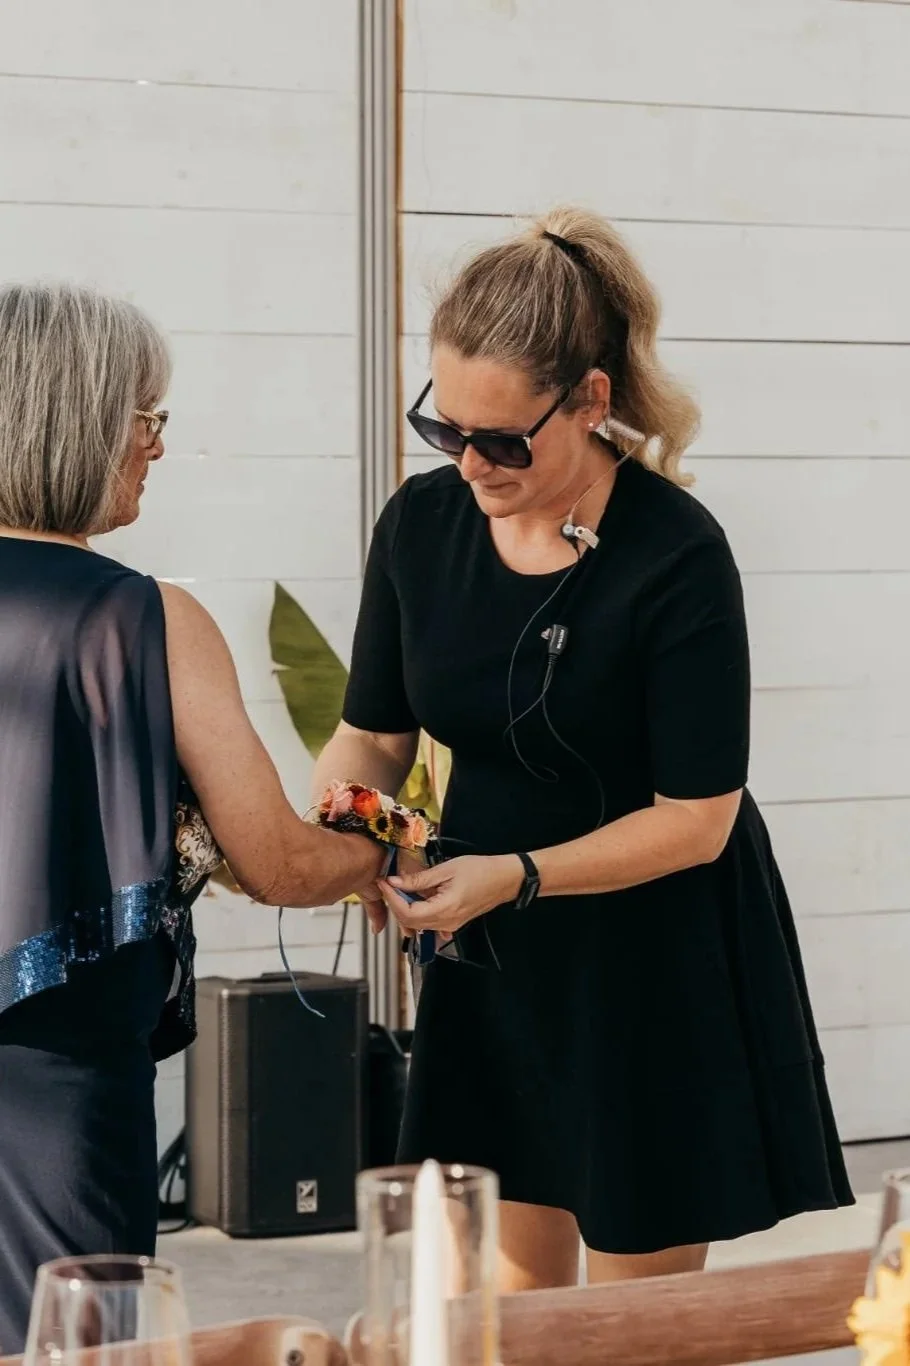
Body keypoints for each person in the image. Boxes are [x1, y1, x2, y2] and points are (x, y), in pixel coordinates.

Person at [312, 207, 854, 1292]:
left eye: (504, 439)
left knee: (632, 1332)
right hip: (493, 957)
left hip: (650, 956)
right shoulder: (419, 527)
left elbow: (696, 819)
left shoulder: (676, 556)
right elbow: (372, 735)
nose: (469, 464)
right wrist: (344, 826)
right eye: (444, 429)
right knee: (500, 1322)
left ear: (593, 400)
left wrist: (515, 876)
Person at [0, 283, 385, 1353]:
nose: (157, 446)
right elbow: (272, 859)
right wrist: (379, 850)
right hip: (62, 1102)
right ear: (75, 420)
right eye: (146, 417)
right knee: (84, 1340)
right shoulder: (146, 617)